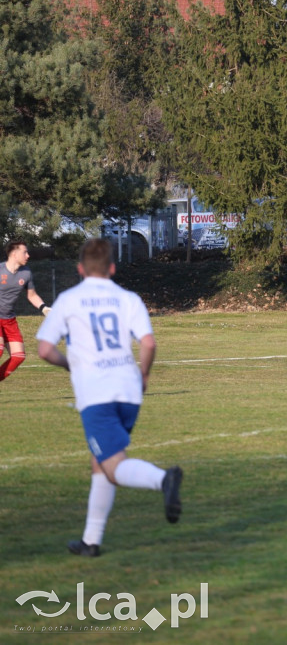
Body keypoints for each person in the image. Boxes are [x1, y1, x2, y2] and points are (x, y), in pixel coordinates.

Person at [36, 238, 182, 557]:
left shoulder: (69, 299)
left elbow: (45, 350)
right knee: (100, 461)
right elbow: (149, 343)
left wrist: (69, 365)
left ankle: (163, 479)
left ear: (79, 269)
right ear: (112, 268)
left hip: (96, 392)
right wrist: (143, 374)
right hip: (129, 389)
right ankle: (91, 541)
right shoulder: (127, 298)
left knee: (113, 464)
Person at [1, 241, 51, 384]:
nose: (28, 255)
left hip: (9, 320)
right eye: (25, 252)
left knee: (18, 356)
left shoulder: (26, 273)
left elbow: (32, 296)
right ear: (14, 254)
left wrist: (44, 308)